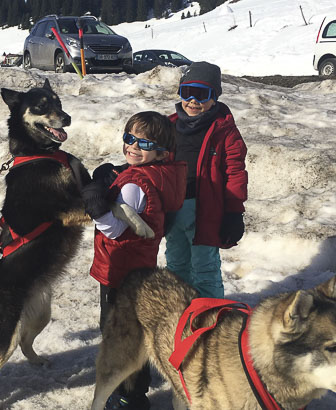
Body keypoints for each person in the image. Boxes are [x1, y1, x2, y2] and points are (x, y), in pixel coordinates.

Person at [82, 111, 186, 410]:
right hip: (141, 267)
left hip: (120, 269)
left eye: (143, 143)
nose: (132, 146)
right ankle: (134, 388)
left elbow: (115, 230)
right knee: (135, 330)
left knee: (119, 334)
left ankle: (127, 396)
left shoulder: (135, 184)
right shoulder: (159, 173)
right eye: (129, 138)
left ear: (161, 152)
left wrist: (97, 207)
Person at [165, 61, 248, 298]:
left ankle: (210, 314)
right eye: (187, 93)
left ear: (215, 98)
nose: (193, 101)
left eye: (201, 95)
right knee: (176, 263)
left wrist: (234, 212)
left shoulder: (225, 131)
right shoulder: (169, 126)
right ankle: (179, 311)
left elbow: (235, 174)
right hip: (174, 208)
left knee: (204, 267)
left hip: (206, 211)